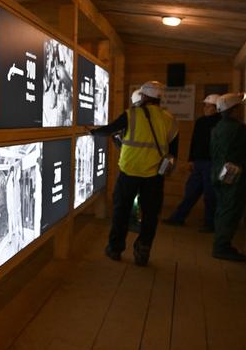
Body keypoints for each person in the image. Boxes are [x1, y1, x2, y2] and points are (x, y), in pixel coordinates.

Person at [91, 81, 179, 266]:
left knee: (121, 211)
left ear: (144, 96)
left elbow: (109, 130)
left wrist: (91, 131)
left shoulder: (131, 114)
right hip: (155, 175)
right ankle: (143, 251)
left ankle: (115, 249)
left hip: (129, 172)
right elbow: (173, 151)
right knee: (150, 214)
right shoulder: (169, 119)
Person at [210, 92, 246, 261]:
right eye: (240, 107)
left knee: (222, 210)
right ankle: (221, 247)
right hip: (233, 177)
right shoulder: (241, 129)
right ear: (233, 110)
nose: (242, 110)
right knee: (231, 211)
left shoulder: (217, 128)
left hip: (217, 173)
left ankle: (220, 244)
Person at [163, 94, 221, 231]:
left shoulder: (220, 123)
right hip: (199, 163)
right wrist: (191, 160)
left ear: (216, 108)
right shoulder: (200, 122)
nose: (205, 108)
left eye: (208, 106)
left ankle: (210, 224)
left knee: (210, 195)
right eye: (205, 105)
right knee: (191, 192)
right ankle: (178, 218)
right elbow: (194, 142)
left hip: (212, 163)